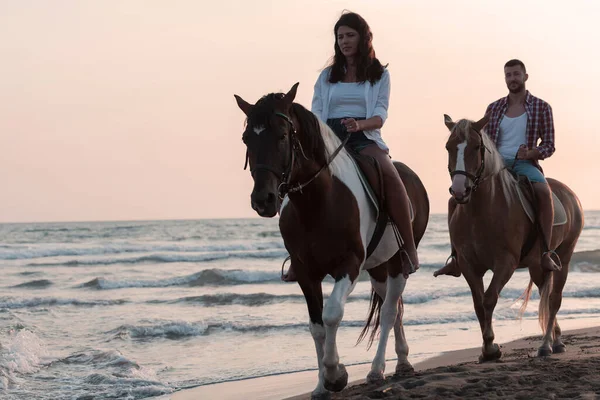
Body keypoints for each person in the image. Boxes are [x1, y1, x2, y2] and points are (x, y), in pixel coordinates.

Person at [281, 11, 419, 281]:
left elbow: (381, 114)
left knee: (389, 175)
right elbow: (316, 112)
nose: (344, 41)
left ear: (363, 37)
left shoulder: (380, 75)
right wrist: (321, 137)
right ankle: (297, 256)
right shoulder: (327, 77)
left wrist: (360, 125)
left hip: (364, 136)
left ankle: (408, 249)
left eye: (350, 35)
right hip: (327, 137)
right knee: (294, 176)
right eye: (340, 36)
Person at [434, 59, 560, 278]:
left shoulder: (541, 107)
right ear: (505, 79)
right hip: (495, 167)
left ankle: (545, 253)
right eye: (508, 75)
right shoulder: (493, 108)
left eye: (516, 74)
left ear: (525, 77)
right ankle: (456, 258)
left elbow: (549, 145)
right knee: (455, 200)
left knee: (542, 192)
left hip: (524, 165)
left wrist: (530, 153)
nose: (512, 79)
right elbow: (483, 143)